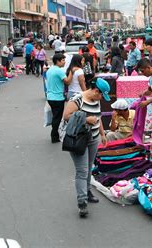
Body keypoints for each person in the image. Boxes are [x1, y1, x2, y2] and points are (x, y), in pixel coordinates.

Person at [63, 78, 110, 218]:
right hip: (79, 139)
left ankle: (88, 191)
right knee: (82, 171)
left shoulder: (96, 100)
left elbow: (98, 117)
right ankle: (82, 202)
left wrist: (102, 133)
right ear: (96, 91)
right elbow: (66, 116)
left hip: (93, 138)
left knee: (89, 167)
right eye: (101, 95)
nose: (102, 98)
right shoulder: (77, 99)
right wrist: (85, 119)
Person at [46, 53, 74, 143]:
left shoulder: (50, 70)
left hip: (50, 97)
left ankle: (54, 135)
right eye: (62, 60)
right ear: (57, 61)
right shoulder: (59, 71)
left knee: (55, 117)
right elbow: (67, 82)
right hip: (57, 98)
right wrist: (71, 72)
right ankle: (55, 136)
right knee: (57, 118)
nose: (64, 62)